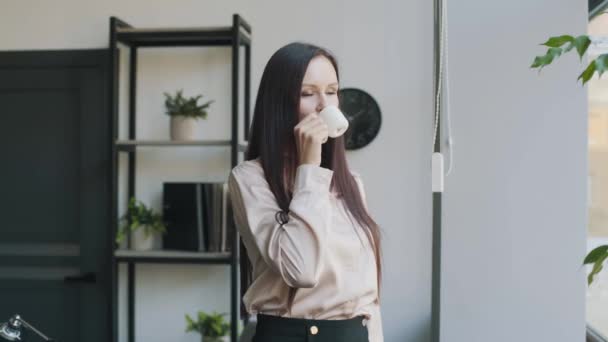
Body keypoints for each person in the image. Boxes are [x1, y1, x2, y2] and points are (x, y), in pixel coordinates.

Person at [228, 42, 384, 342]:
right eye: (307, 93)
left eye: (332, 91)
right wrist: (309, 167)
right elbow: (301, 270)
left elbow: (368, 297)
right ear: (279, 103)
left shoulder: (351, 182)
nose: (324, 106)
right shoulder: (250, 179)